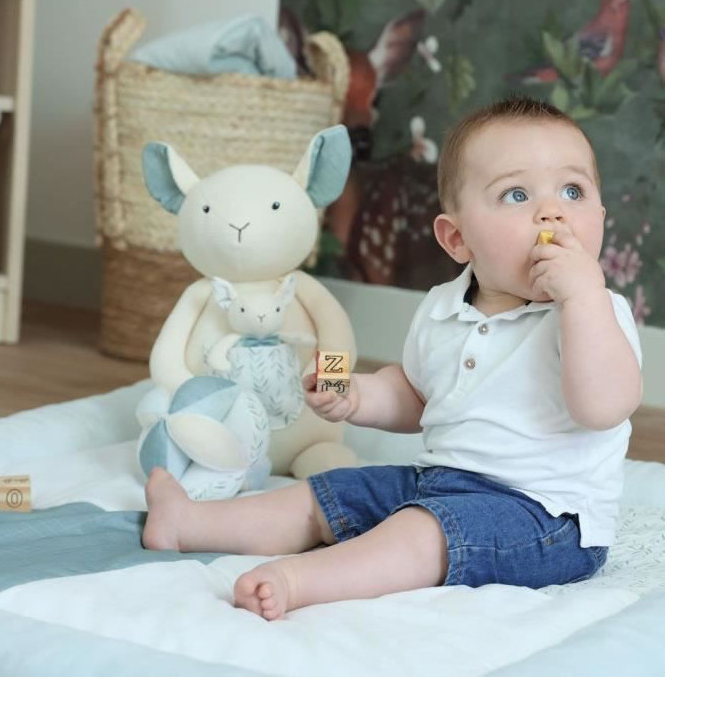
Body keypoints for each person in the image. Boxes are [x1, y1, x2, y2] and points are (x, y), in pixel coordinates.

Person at [142, 95, 643, 621]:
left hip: (548, 519)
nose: (552, 212)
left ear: (600, 218)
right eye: (516, 194)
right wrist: (355, 395)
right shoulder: (442, 308)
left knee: (422, 532)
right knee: (334, 494)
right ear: (457, 239)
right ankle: (189, 523)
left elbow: (603, 407)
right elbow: (417, 394)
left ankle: (299, 579)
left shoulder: (593, 312)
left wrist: (581, 296)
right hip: (442, 481)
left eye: (573, 191)